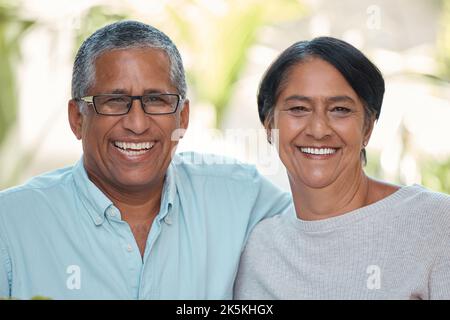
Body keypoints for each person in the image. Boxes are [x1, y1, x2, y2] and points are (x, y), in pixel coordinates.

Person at [0, 20, 291, 299]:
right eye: (114, 101)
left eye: (156, 100)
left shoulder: (238, 197)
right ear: (77, 118)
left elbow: (326, 227)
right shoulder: (11, 225)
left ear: (183, 117)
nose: (137, 123)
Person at [234, 37, 450, 300]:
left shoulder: (436, 224)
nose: (318, 129)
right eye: (299, 108)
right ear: (269, 126)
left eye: (340, 109)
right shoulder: (258, 249)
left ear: (367, 128)